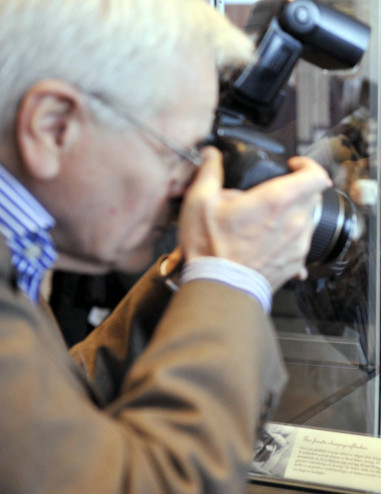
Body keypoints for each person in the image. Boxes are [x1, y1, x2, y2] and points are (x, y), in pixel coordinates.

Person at [0, 0, 331, 492]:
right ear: (53, 127)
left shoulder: (20, 255)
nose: (188, 187)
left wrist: (189, 284)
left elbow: (51, 426)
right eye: (179, 153)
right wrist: (231, 278)